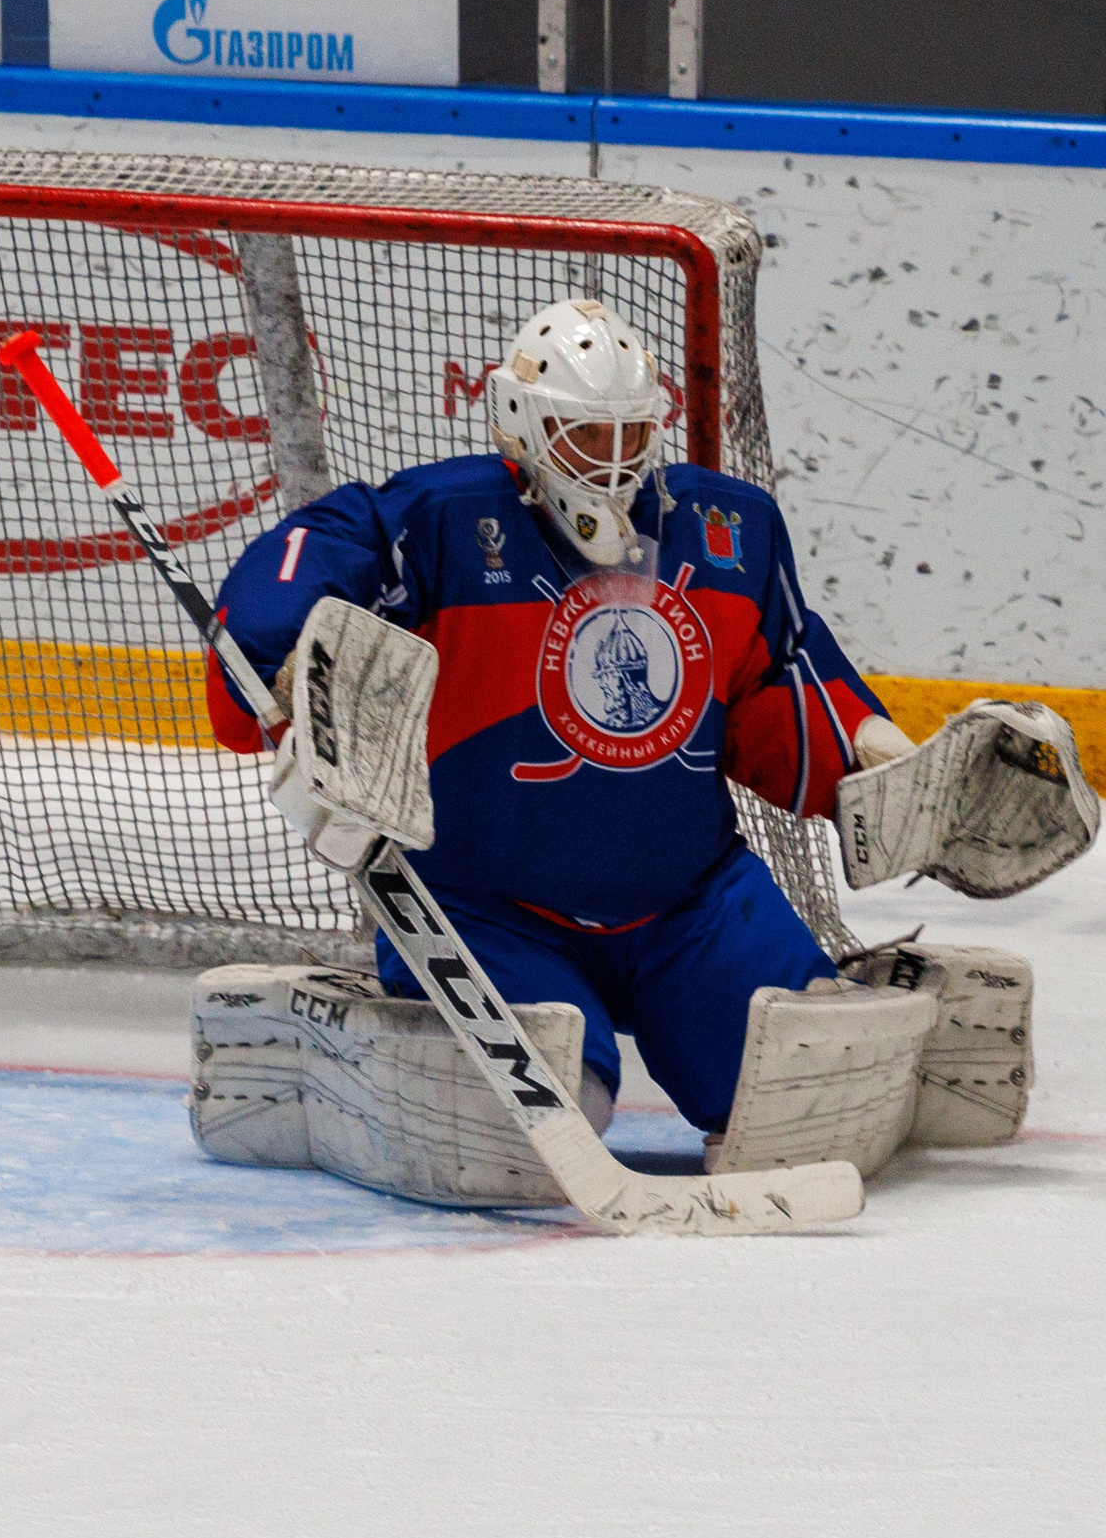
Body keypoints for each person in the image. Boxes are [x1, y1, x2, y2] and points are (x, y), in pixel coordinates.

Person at [200, 298, 916, 1147]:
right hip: (486, 906)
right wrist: (275, 653)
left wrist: (891, 768)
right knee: (550, 1117)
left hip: (691, 902)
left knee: (810, 1110)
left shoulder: (727, 530)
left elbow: (777, 691)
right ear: (521, 423)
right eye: (585, 435)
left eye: (629, 434)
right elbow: (309, 550)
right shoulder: (444, 521)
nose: (612, 464)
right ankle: (315, 1059)